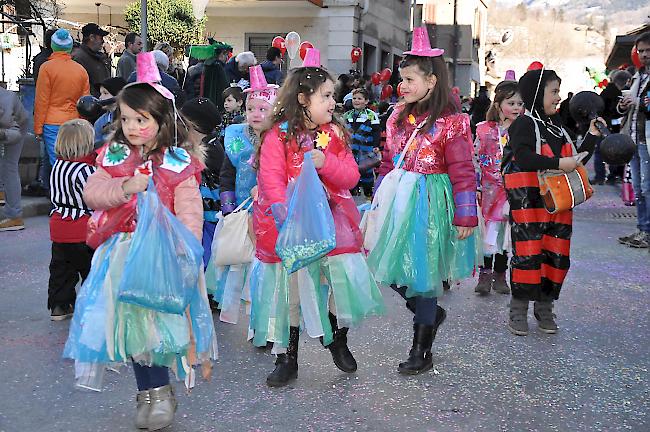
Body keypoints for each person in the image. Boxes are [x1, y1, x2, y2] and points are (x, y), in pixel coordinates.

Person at [63, 52, 217, 431]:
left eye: (141, 119)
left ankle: (161, 391)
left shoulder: (177, 161)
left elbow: (190, 208)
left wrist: (188, 249)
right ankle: (146, 393)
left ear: (161, 119)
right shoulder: (114, 154)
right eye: (126, 118)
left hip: (163, 254)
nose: (131, 127)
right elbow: (93, 193)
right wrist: (123, 186)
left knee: (158, 329)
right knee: (131, 328)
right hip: (122, 254)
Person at [251, 48, 384, 387]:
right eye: (325, 96)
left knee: (343, 282)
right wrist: (284, 216)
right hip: (290, 225)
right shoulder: (278, 134)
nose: (332, 102)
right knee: (291, 293)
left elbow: (352, 177)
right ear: (302, 98)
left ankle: (336, 334)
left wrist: (327, 164)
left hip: (332, 220)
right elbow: (271, 178)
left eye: (333, 96)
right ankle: (288, 356)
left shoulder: (334, 135)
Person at [366, 27, 479, 375]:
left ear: (431, 81)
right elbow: (388, 160)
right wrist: (378, 197)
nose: (404, 86)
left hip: (431, 204)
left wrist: (465, 216)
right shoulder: (397, 116)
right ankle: (428, 312)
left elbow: (462, 171)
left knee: (425, 273)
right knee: (387, 266)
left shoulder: (452, 123)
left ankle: (421, 349)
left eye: (410, 79)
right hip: (398, 203)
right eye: (402, 79)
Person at [502, 68, 602, 336]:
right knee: (528, 255)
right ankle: (518, 309)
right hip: (530, 205)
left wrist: (591, 137)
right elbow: (523, 157)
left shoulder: (559, 127)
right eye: (554, 92)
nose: (558, 97)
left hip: (559, 205)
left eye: (559, 91)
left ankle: (545, 307)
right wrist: (559, 163)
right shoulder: (524, 124)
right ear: (537, 94)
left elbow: (575, 163)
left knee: (556, 256)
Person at [206, 65, 278, 324]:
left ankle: (266, 322)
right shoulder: (236, 137)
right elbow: (227, 174)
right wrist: (228, 206)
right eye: (250, 109)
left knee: (266, 268)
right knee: (242, 266)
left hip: (271, 213)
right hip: (242, 210)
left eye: (262, 109)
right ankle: (253, 321)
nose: (255, 114)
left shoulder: (280, 138)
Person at [473, 80, 523, 295]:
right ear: (498, 104)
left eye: (520, 104)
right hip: (489, 190)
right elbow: (474, 159)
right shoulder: (484, 131)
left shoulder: (524, 130)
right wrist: (476, 184)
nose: (516, 108)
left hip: (513, 190)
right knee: (488, 233)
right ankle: (484, 273)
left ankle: (501, 274)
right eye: (511, 103)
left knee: (505, 234)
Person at [47, 119, 96, 320]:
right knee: (90, 270)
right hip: (82, 227)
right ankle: (91, 306)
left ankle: (60, 306)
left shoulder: (57, 166)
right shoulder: (87, 171)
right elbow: (93, 198)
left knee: (61, 271)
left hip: (59, 227)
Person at [34, 29, 90, 168]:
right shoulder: (81, 70)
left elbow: (42, 100)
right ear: (70, 47)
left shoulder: (46, 68)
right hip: (74, 121)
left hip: (51, 122)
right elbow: (85, 102)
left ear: (53, 46)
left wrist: (38, 128)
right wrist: (83, 124)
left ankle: (56, 188)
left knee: (56, 163)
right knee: (71, 159)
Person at [180, 98, 223, 268]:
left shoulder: (210, 151)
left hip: (209, 217)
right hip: (203, 216)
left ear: (195, 125)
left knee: (204, 259)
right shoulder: (208, 145)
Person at [617, 31, 650, 249]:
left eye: (649, 50)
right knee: (638, 188)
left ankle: (647, 231)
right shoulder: (638, 75)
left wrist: (637, 101)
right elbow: (631, 106)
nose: (645, 55)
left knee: (647, 188)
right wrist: (623, 105)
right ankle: (641, 228)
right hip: (635, 138)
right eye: (641, 51)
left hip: (648, 140)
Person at [592, 70, 632, 185]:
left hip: (603, 125)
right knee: (613, 152)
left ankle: (600, 176)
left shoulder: (605, 92)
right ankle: (612, 176)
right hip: (611, 126)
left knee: (600, 151)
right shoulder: (617, 93)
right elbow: (616, 111)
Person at [0, 86, 30, 231]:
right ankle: (1, 192)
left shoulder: (4, 100)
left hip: (15, 128)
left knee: (9, 166)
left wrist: (2, 134)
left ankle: (14, 217)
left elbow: (14, 133)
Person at [343, 88, 381, 198]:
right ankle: (352, 190)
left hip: (366, 149)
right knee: (351, 168)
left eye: (359, 98)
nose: (356, 101)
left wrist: (376, 145)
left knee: (367, 171)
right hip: (351, 149)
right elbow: (343, 131)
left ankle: (368, 192)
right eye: (354, 98)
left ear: (366, 101)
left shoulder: (371, 115)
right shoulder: (347, 115)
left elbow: (376, 131)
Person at [72, 23, 110, 97]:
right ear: (92, 37)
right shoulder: (79, 58)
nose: (103, 41)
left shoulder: (98, 57)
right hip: (90, 104)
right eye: (101, 38)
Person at [93, 77, 127, 149]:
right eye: (100, 93)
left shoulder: (128, 118)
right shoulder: (100, 122)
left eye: (105, 93)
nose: (100, 97)